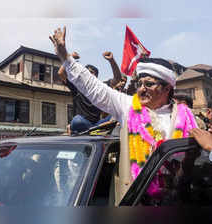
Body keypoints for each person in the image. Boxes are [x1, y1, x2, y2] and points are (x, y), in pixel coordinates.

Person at [49, 26, 198, 181]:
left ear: (167, 88)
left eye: (148, 84)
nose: (141, 89)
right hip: (136, 196)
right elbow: (94, 87)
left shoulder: (187, 117)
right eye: (139, 84)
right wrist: (65, 57)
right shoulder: (128, 106)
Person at [58, 52, 109, 134]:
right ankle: (93, 130)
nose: (89, 74)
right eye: (87, 72)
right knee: (77, 120)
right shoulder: (77, 87)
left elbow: (116, 80)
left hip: (97, 125)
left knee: (117, 115)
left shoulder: (100, 90)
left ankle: (94, 129)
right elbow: (61, 73)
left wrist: (111, 61)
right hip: (82, 124)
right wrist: (70, 57)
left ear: (96, 77)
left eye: (92, 73)